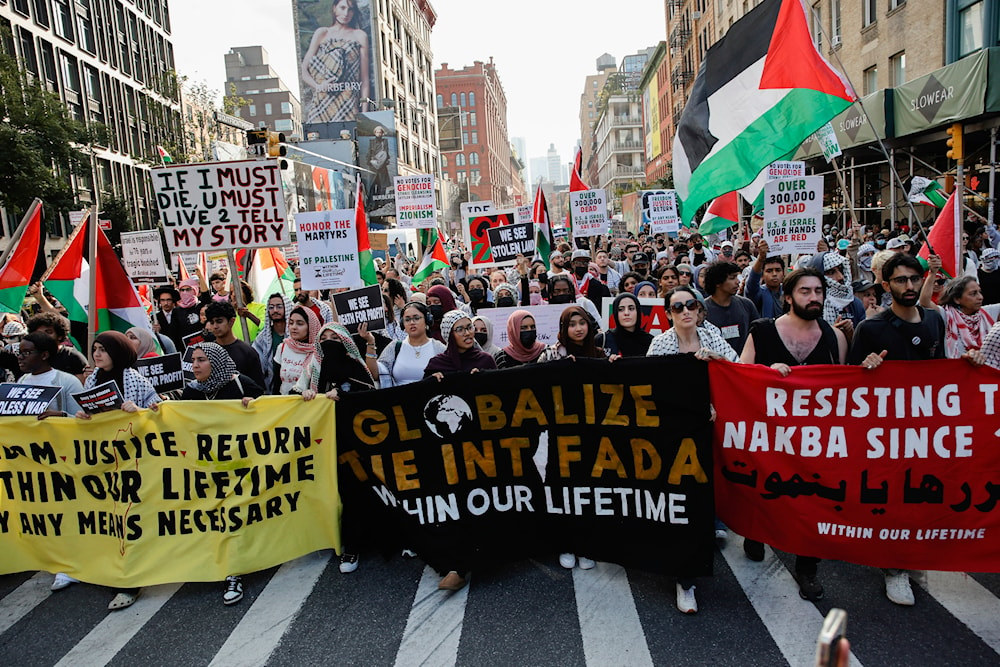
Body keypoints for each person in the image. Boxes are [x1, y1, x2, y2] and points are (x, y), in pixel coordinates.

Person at [848, 252, 985, 606]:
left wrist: (967, 367)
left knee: (920, 496)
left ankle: (913, 555)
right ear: (885, 284)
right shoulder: (870, 328)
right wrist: (867, 367)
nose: (909, 286)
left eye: (914, 279)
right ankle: (894, 569)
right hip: (885, 434)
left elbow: (940, 374)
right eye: (900, 280)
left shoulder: (934, 320)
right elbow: (847, 386)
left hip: (925, 433)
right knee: (893, 499)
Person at [738, 268, 854, 602]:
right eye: (805, 291)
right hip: (770, 437)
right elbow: (741, 376)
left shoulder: (836, 337)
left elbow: (843, 389)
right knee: (765, 489)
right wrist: (766, 373)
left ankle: (807, 567)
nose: (814, 297)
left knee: (810, 502)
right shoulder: (762, 331)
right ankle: (756, 531)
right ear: (788, 297)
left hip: (814, 441)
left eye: (818, 291)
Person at [646, 286, 736, 614]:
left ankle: (710, 528)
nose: (685, 311)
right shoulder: (660, 344)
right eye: (678, 306)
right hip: (676, 434)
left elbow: (739, 370)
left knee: (706, 492)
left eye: (691, 305)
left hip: (712, 430)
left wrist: (719, 362)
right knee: (682, 500)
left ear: (699, 310)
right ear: (669, 313)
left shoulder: (712, 337)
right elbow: (652, 392)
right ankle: (685, 580)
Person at [70, 331, 160, 610]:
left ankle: (130, 581)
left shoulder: (136, 380)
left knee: (131, 517)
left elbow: (159, 410)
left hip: (134, 461)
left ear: (118, 353)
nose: (96, 354)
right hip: (106, 460)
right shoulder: (94, 380)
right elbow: (93, 412)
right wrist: (85, 417)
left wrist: (140, 410)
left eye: (103, 350)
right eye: (95, 349)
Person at [181, 342, 264, 605]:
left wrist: (255, 405)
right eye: (193, 360)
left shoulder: (241, 385)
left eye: (202, 360)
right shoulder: (191, 393)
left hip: (240, 466)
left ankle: (233, 573)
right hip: (206, 468)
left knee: (233, 517)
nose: (195, 365)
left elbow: (271, 415)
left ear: (216, 362)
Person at [423, 310, 497, 592]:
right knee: (457, 506)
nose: (468, 333)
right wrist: (432, 384)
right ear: (448, 335)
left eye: (470, 328)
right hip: (449, 451)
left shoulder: (486, 361)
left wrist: (486, 382)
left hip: (482, 448)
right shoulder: (436, 365)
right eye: (461, 329)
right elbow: (423, 407)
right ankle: (457, 566)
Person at [296, 323, 377, 574]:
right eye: (324, 338)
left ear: (346, 341)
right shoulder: (312, 368)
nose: (330, 342)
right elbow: (295, 395)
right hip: (323, 444)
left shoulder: (356, 367)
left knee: (355, 493)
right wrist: (309, 397)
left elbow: (371, 396)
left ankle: (353, 545)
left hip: (353, 444)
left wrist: (343, 394)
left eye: (335, 337)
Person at [300, 0, 370, 123]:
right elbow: (303, 70)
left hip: (348, 102)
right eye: (342, 8)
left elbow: (364, 80)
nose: (346, 13)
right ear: (334, 8)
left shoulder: (359, 35)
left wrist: (364, 114)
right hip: (321, 103)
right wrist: (318, 86)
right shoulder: (322, 33)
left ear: (354, 12)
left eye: (350, 9)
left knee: (351, 140)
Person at [919, 270, 999, 358]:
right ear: (957, 299)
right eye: (973, 294)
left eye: (979, 292)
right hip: (955, 368)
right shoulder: (946, 315)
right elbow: (925, 302)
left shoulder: (987, 313)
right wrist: (932, 273)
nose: (980, 297)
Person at [14, 332, 83, 419]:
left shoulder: (68, 381)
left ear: (44, 355)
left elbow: (81, 419)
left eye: (27, 353)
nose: (20, 357)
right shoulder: (22, 380)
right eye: (19, 352)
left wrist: (61, 416)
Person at [377, 302, 446, 387]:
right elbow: (376, 374)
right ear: (402, 323)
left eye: (416, 318)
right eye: (407, 319)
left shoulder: (439, 348)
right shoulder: (394, 346)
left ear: (427, 320)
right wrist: (370, 343)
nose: (412, 322)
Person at [204, 301, 266, 389]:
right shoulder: (206, 352)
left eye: (219, 321)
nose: (215, 326)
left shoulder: (248, 352)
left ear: (231, 321)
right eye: (212, 322)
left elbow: (258, 388)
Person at [703, 261, 761, 354]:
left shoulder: (746, 304)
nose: (737, 281)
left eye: (737, 277)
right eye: (732, 278)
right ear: (718, 282)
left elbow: (758, 335)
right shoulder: (703, 310)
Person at [26, 313, 88, 383]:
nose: (43, 336)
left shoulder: (73, 357)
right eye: (39, 333)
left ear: (60, 335)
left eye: (48, 332)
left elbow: (80, 388)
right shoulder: (30, 356)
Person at [272, 305, 321, 395]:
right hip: (285, 403)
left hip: (306, 404)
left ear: (310, 327)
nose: (294, 327)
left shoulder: (317, 352)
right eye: (291, 323)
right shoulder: (283, 347)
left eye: (300, 323)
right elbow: (276, 383)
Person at [252, 294, 293, 392]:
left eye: (279, 306)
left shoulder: (295, 335)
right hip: (270, 387)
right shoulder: (262, 338)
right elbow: (256, 363)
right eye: (271, 307)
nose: (275, 310)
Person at [597, 292, 654, 358]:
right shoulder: (603, 340)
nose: (626, 313)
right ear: (615, 313)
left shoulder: (651, 341)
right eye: (621, 309)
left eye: (631, 308)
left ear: (638, 311)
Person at [744, 242, 786, 319]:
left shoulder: (789, 292)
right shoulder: (759, 293)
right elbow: (752, 283)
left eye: (778, 270)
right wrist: (761, 258)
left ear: (783, 273)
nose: (774, 274)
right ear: (762, 275)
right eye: (769, 271)